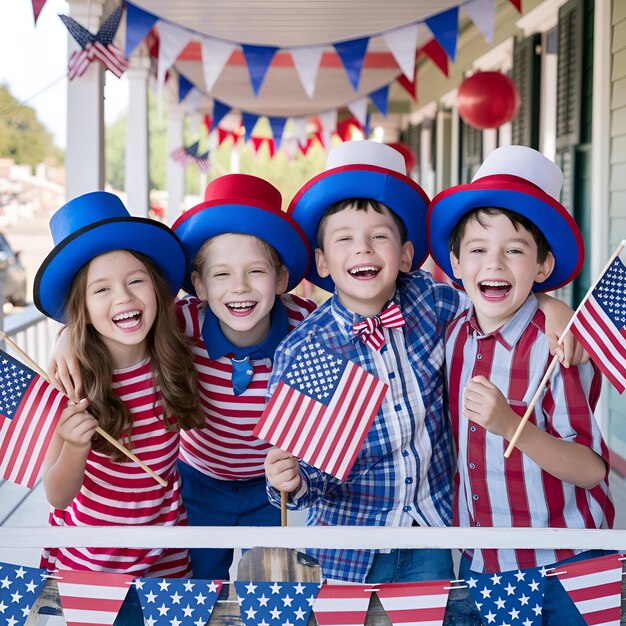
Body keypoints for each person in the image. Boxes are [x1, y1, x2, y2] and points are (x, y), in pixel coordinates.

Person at [263, 140, 586, 586]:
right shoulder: (306, 350)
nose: (364, 250)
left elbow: (496, 298)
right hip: (347, 546)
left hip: (429, 536)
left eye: (380, 237)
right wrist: (291, 481)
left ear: (407, 256)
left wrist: (551, 306)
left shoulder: (432, 304)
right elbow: (307, 469)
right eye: (344, 239)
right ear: (322, 261)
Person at [428, 145, 614, 624]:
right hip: (485, 563)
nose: (495, 264)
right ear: (455, 262)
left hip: (567, 562)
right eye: (478, 250)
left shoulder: (557, 349)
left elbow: (592, 469)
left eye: (515, 251)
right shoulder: (452, 335)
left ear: (542, 267)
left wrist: (511, 425)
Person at [34, 192, 204, 623]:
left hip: (166, 551)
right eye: (102, 289)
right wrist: (74, 446)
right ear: (83, 311)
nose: (124, 298)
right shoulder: (69, 381)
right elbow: (56, 494)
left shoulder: (178, 339)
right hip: (92, 564)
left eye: (135, 281)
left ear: (157, 287)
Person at [170, 174, 316, 579]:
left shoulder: (308, 325)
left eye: (255, 271)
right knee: (196, 590)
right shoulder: (180, 323)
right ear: (198, 284)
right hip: (198, 480)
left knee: (270, 588)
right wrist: (65, 340)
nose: (239, 287)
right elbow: (113, 329)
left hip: (271, 487)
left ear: (281, 279)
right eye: (221, 275)